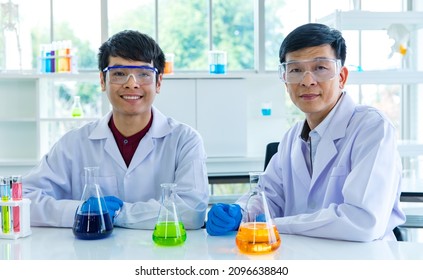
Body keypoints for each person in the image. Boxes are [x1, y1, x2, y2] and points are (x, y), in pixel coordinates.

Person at [206, 23, 406, 242]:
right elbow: (268, 198)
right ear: (285, 80)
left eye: (320, 68)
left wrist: (272, 225)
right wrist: (241, 212)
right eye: (295, 70)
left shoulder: (372, 128)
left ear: (341, 77)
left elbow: (362, 222)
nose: (307, 80)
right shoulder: (291, 138)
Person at [23, 30, 209, 230]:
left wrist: (117, 213)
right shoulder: (74, 143)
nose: (131, 84)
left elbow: (191, 211)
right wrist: (81, 211)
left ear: (159, 82)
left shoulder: (184, 140)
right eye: (119, 74)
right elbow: (25, 198)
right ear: (103, 81)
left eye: (144, 74)